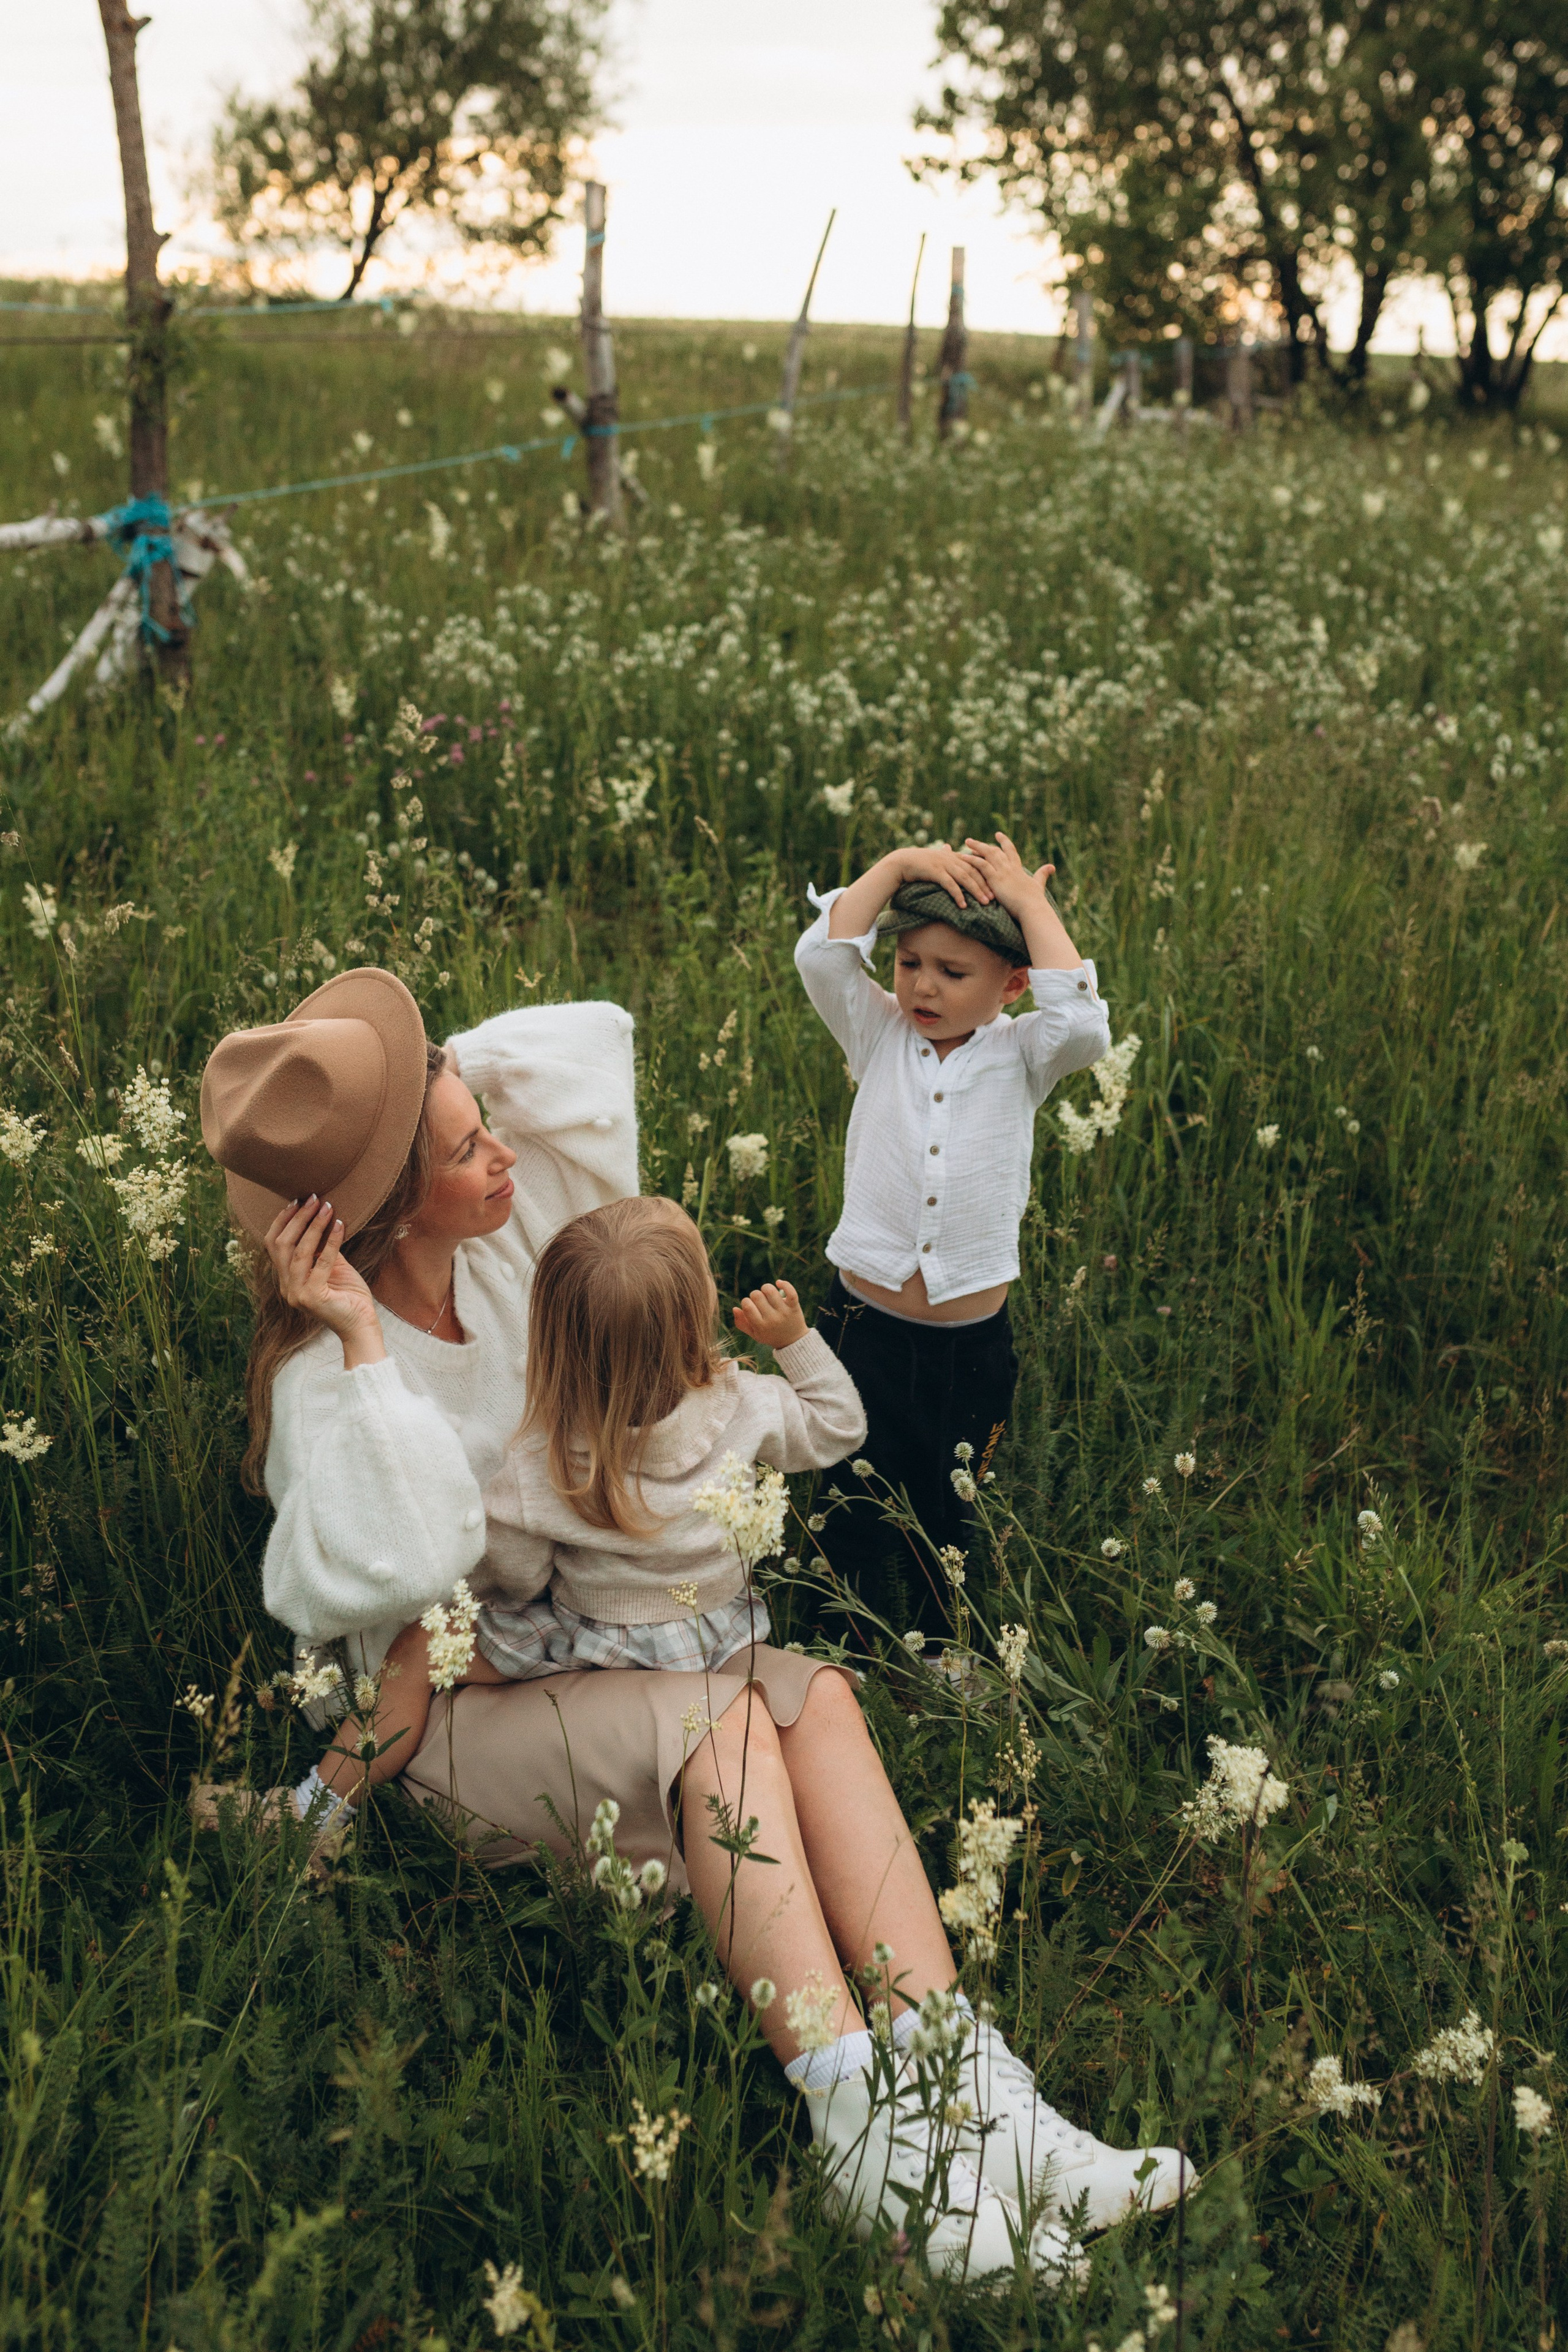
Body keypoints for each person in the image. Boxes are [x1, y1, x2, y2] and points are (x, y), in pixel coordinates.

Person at [195, 965, 1189, 2282]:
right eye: (460, 1146)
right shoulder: (333, 1378)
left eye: (483, 1119)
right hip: (454, 1715)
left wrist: (409, 1090)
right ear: (379, 1215)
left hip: (597, 1651)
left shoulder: (500, 1242)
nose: (501, 1147)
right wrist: (361, 1341)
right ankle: (873, 2157)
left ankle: (979, 2104)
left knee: (817, 1699)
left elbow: (586, 1047)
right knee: (723, 1727)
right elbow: (404, 1572)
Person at [793, 833, 1110, 1638]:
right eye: (910, 965)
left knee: (947, 1499)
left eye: (953, 972)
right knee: (853, 1491)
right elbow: (825, 958)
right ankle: (841, 1644)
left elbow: (1082, 1024)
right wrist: (900, 865)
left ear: (1012, 986)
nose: (923, 987)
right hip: (860, 1328)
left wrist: (1033, 905)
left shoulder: (1024, 1055)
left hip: (968, 1343)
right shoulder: (878, 1035)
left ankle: (936, 1643)